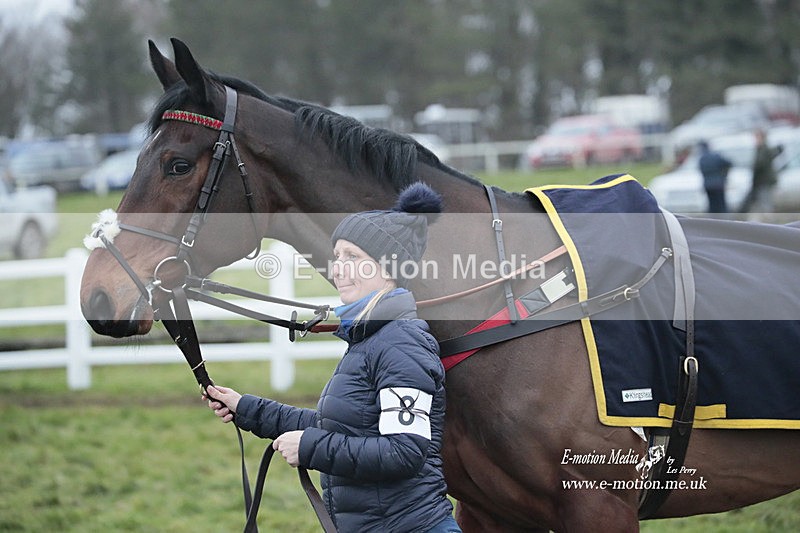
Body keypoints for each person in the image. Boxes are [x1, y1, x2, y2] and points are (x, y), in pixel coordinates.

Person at [204, 182, 461, 533]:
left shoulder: (402, 342)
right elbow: (338, 428)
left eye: (353, 257)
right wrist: (246, 408)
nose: (338, 268)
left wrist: (310, 447)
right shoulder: (368, 340)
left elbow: (403, 452)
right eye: (337, 256)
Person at [741, 128, 782, 216]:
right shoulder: (761, 149)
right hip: (761, 181)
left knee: (766, 203)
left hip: (764, 181)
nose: (755, 139)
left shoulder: (764, 149)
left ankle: (769, 222)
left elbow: (760, 164)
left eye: (757, 137)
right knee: (761, 203)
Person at [697, 140, 732, 214]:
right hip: (718, 184)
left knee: (712, 205)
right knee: (721, 206)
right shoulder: (715, 156)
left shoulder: (701, 159)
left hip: (708, 186)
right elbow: (729, 163)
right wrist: (724, 175)